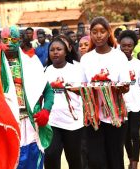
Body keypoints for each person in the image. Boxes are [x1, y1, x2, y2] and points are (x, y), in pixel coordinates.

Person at [0, 25, 54, 169]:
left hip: (31, 123)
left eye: (13, 39)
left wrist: (46, 111)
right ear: (0, 40)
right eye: (6, 40)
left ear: (20, 40)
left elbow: (48, 91)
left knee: (34, 163)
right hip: (7, 126)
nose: (9, 43)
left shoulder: (32, 62)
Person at [79, 16, 130, 169]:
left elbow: (126, 86)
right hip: (94, 117)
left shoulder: (118, 56)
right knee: (96, 160)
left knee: (115, 159)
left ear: (109, 33)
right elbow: (82, 86)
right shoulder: (86, 59)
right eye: (94, 32)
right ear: (91, 34)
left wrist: (113, 87)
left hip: (115, 117)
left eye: (102, 31)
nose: (98, 35)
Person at [44, 38, 84, 169]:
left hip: (73, 123)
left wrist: (73, 89)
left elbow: (84, 93)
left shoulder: (76, 69)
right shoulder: (45, 71)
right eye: (52, 50)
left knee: (75, 160)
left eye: (59, 49)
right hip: (52, 122)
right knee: (50, 155)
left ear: (66, 52)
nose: (55, 52)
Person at [119, 30, 140, 169]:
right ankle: (131, 157)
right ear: (119, 46)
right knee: (125, 135)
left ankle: (134, 163)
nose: (126, 48)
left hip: (137, 102)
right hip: (122, 104)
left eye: (129, 46)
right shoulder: (116, 63)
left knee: (134, 133)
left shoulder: (137, 64)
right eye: (123, 46)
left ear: (134, 46)